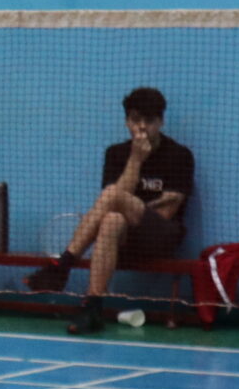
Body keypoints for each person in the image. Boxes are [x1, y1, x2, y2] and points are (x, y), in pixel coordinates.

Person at [25, 86, 194, 334]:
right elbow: (111, 206)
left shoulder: (179, 155)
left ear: (161, 121)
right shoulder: (116, 154)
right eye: (136, 120)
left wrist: (130, 204)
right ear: (127, 122)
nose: (142, 127)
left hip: (162, 237)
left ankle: (63, 264)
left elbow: (166, 211)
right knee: (111, 220)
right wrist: (135, 160)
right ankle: (92, 309)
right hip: (125, 238)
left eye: (149, 120)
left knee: (114, 196)